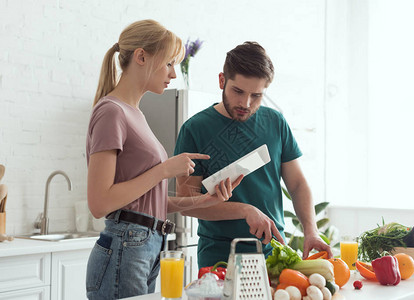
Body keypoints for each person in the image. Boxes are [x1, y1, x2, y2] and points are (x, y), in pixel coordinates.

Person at [85, 20, 243, 300]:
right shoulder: (112, 111)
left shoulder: (135, 114)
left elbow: (147, 203)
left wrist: (207, 200)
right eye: (169, 63)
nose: (173, 73)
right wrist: (164, 170)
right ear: (142, 56)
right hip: (127, 246)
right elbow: (100, 203)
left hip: (144, 247)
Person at [174, 41, 332, 268]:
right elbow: (187, 202)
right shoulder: (194, 129)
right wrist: (245, 210)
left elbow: (297, 185)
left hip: (274, 252)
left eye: (256, 95)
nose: (245, 103)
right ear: (222, 81)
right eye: (238, 91)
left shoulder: (276, 122)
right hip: (219, 255)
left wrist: (311, 231)